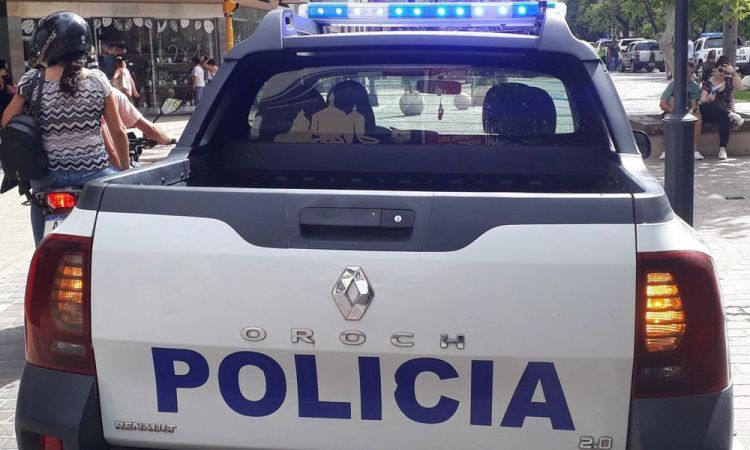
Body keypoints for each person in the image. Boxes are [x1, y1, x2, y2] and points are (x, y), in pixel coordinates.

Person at [0, 11, 129, 244]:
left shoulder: (32, 80)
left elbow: (7, 121)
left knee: (41, 215)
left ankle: (43, 249)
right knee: (115, 228)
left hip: (47, 178)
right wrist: (125, 171)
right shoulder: (98, 80)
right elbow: (118, 131)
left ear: (48, 44)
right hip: (94, 175)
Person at [101, 88, 174, 160]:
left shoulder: (103, 93)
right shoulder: (113, 94)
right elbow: (149, 129)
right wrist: (168, 140)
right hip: (103, 161)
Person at [659, 60, 704, 160]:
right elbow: (662, 103)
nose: (689, 74)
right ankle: (667, 150)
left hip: (688, 112)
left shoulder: (694, 86)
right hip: (672, 110)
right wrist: (672, 111)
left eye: (692, 72)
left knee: (698, 120)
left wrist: (690, 113)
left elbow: (694, 105)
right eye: (687, 72)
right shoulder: (673, 85)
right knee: (668, 120)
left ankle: (694, 150)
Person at [700, 61, 738, 160]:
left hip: (724, 111)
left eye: (725, 71)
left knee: (725, 119)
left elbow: (740, 87)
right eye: (720, 70)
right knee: (703, 107)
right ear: (714, 70)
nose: (722, 73)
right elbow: (702, 100)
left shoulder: (729, 81)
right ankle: (729, 114)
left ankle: (722, 149)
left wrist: (733, 72)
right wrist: (708, 99)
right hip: (712, 112)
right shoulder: (707, 83)